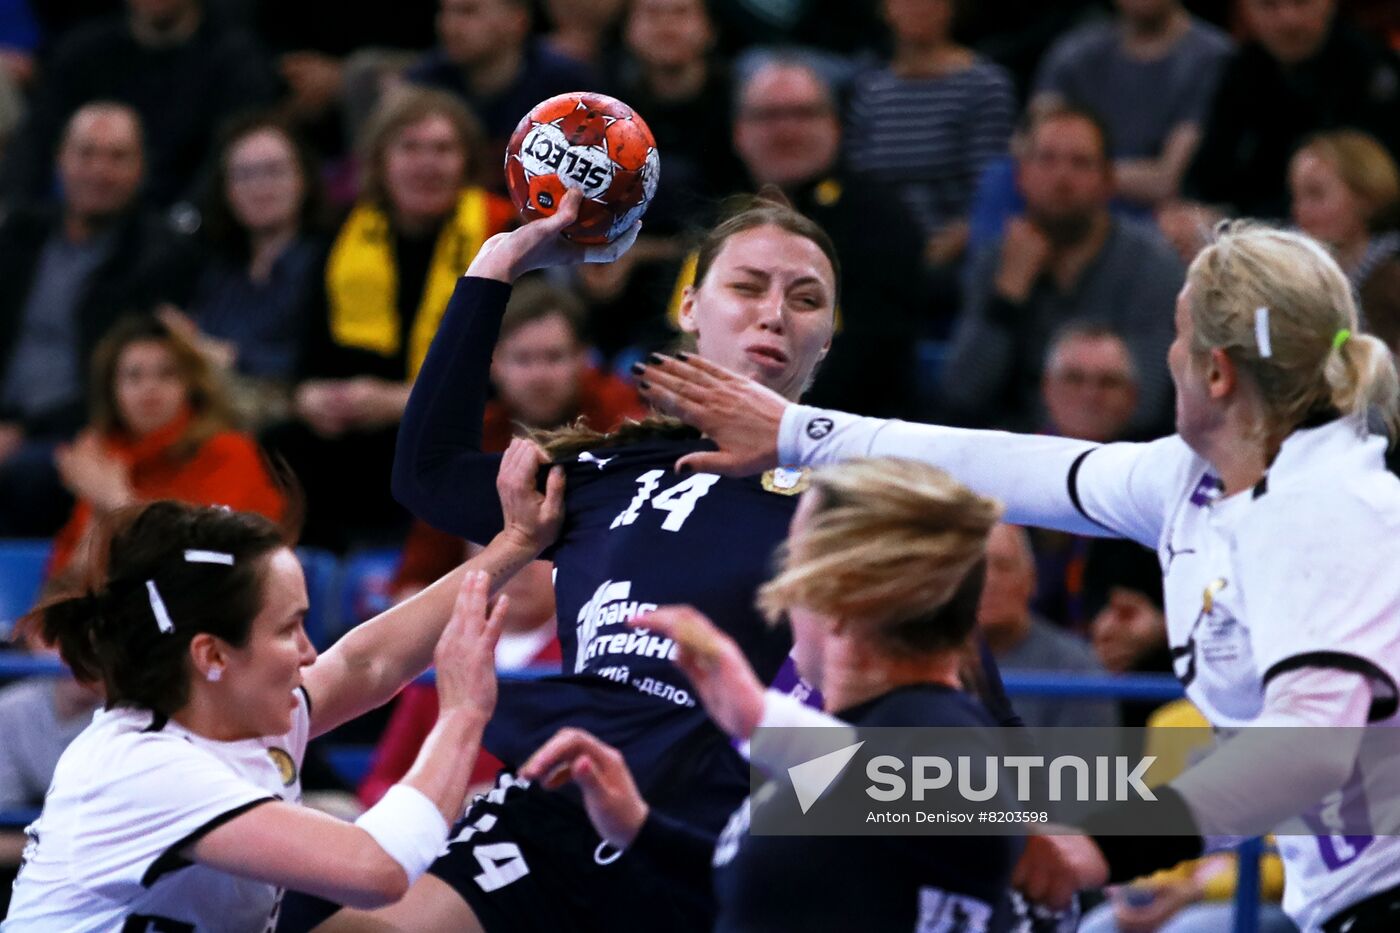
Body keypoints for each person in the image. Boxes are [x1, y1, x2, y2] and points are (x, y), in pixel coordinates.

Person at [635, 221, 1400, 931]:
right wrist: (795, 432)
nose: (1165, 357)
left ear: (1218, 373)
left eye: (1175, 333)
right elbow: (1007, 466)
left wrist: (1104, 846)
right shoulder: (1193, 480)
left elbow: (1307, 744)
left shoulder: (1325, 504)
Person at [311, 189, 1018, 931]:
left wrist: (1043, 828)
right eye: (747, 286)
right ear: (689, 308)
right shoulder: (602, 471)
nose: (773, 312)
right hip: (564, 802)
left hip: (718, 841)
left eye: (805, 298)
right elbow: (426, 472)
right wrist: (497, 265)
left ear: (828, 340)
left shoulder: (851, 506)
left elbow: (983, 725)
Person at [2, 437, 564, 930]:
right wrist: (462, 713)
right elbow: (378, 867)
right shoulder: (143, 766)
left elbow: (366, 665)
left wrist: (513, 545)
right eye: (289, 628)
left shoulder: (228, 713)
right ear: (212, 655)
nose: (309, 652)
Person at [518, 457, 1021, 931]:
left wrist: (765, 721)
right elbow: (774, 896)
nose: (782, 583)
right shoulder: (858, 742)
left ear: (842, 593)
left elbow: (1003, 792)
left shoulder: (936, 726)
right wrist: (640, 829)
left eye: (795, 558)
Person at [267, 88, 514, 551]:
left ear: (467, 161)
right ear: (379, 161)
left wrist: (402, 401)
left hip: (457, 432)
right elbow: (306, 356)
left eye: (443, 149)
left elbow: (518, 371)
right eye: (410, 148)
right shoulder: (340, 234)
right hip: (346, 438)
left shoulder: (502, 235)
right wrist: (309, 396)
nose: (426, 164)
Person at [0, 102, 198, 537]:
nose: (99, 171)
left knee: (30, 478)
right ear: (60, 160)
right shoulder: (19, 235)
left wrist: (22, 430)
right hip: (9, 424)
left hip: (81, 431)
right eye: (86, 154)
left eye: (117, 157)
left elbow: (121, 373)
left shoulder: (158, 255)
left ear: (141, 169)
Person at [940, 104, 1183, 438]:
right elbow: (962, 392)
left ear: (1108, 180)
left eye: (1080, 163)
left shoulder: (1153, 266)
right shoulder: (997, 260)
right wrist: (1008, 295)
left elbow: (1144, 404)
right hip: (1013, 453)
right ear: (1020, 176)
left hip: (1117, 460)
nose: (1062, 178)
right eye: (1046, 160)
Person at [46, 314, 285, 577]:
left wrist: (118, 503)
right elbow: (63, 591)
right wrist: (97, 513)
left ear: (191, 385)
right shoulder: (105, 460)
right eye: (133, 376)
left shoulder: (227, 453)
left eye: (167, 373)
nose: (150, 387)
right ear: (111, 391)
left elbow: (217, 573)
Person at [0, 0, 280, 209]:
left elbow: (227, 159)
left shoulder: (236, 62)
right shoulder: (85, 53)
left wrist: (182, 221)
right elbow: (34, 144)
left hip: (184, 235)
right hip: (76, 228)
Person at [1174, 0, 1400, 223]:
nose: (1288, 20)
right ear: (1245, 10)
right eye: (1268, 5)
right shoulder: (1241, 70)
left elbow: (1375, 192)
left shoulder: (1375, 76)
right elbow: (1204, 173)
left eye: (1301, 2)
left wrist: (1233, 220)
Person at [169, 113, 327, 428]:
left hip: (290, 425)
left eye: (274, 171)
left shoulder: (329, 261)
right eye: (243, 174)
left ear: (303, 178)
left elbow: (318, 365)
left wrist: (226, 355)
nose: (259, 186)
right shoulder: (218, 268)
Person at [844, 0, 1016, 265]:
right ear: (886, 9)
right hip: (879, 250)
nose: (919, 7)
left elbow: (989, 192)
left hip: (957, 256)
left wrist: (938, 251)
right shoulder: (870, 92)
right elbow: (857, 183)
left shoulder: (984, 86)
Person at [1031, 0, 1232, 211]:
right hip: (1074, 208)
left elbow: (1165, 180)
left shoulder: (1215, 60)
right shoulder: (1073, 53)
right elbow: (1031, 150)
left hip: (1162, 221)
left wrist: (1076, 174)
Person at [405, 0, 596, 186]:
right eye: (444, 11)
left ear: (516, 20)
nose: (448, 25)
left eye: (468, 11)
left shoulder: (567, 87)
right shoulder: (423, 84)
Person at [977, 523, 1119, 728]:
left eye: (1003, 566)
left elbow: (1087, 758)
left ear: (1032, 579)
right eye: (976, 569)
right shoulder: (924, 659)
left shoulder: (1075, 667)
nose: (989, 581)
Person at [1288, 130, 1400, 353]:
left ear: (1366, 198)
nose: (1300, 210)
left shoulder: (1391, 279)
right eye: (1295, 196)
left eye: (1316, 194)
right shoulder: (1291, 276)